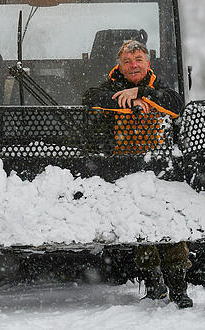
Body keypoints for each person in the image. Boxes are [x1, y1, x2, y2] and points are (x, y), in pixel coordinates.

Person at [82, 39, 192, 308]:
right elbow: (91, 98)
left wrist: (143, 93)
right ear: (119, 66)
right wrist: (127, 100)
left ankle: (179, 289)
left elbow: (176, 105)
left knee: (169, 226)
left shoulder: (159, 87)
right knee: (140, 228)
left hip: (160, 168)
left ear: (148, 62)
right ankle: (153, 284)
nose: (133, 65)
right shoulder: (108, 87)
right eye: (127, 62)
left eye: (138, 60)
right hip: (124, 168)